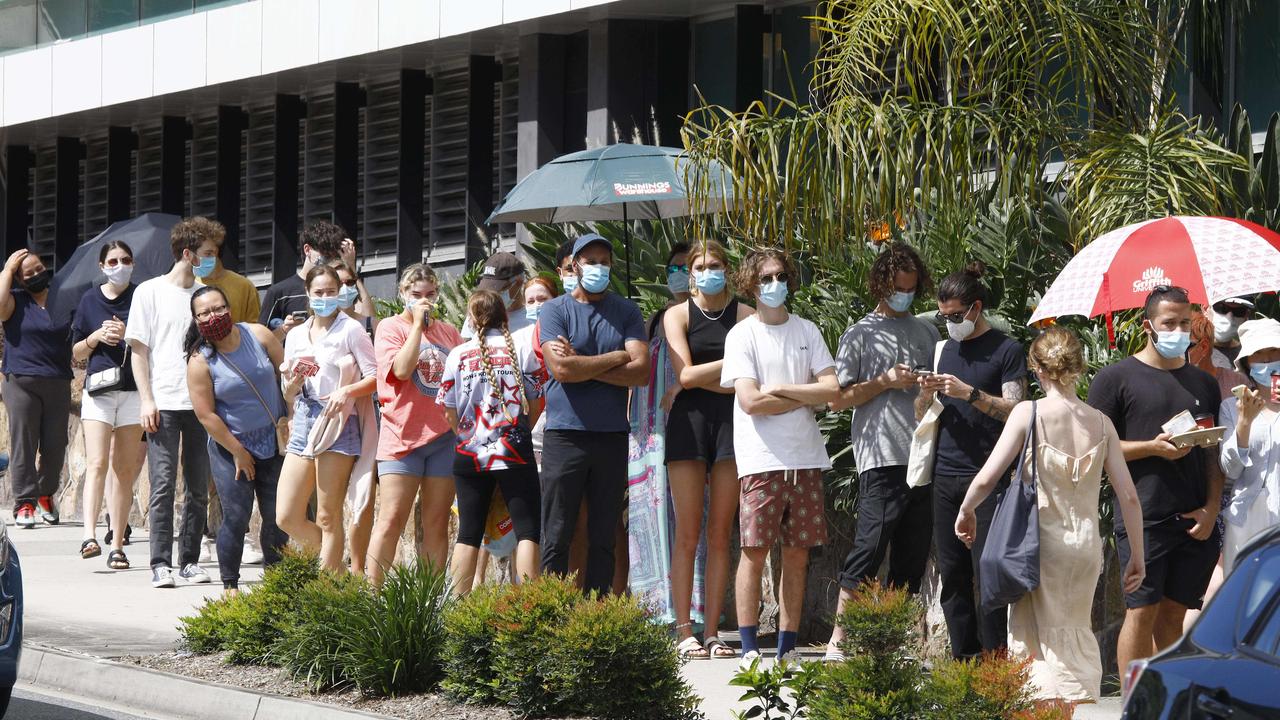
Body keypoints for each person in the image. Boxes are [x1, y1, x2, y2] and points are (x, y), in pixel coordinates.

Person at [955, 327, 1146, 702]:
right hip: (1085, 549)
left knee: (1036, 643)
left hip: (1039, 546)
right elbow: (1129, 497)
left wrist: (966, 510)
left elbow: (986, 478)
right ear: (1079, 367)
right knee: (1072, 634)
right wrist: (1136, 557)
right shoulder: (1102, 424)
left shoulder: (1030, 413)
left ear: (1037, 370)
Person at [1087, 285, 1223, 678]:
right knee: (1141, 610)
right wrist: (1151, 447)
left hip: (1194, 517)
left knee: (1174, 615)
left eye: (1185, 322)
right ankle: (1134, 703)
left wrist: (1212, 508)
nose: (1179, 330)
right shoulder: (1115, 379)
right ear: (1148, 325)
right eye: (1170, 323)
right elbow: (1095, 447)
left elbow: (1211, 452)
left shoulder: (1203, 383)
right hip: (1142, 515)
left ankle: (1173, 696)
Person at [721, 247, 838, 667]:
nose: (775, 285)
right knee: (754, 551)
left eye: (781, 276)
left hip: (805, 458)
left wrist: (782, 390)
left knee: (797, 553)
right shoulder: (742, 335)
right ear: (751, 284)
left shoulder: (807, 330)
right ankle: (750, 645)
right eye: (767, 278)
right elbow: (750, 401)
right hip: (760, 461)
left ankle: (788, 646)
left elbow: (832, 391)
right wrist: (802, 394)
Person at [823, 242, 938, 661]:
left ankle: (893, 642)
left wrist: (926, 385)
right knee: (869, 546)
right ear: (880, 284)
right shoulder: (860, 332)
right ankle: (840, 637)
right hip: (881, 456)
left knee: (911, 554)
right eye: (897, 288)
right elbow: (838, 398)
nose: (904, 295)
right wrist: (885, 381)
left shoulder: (928, 331)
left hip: (922, 456)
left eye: (910, 288)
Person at [917, 262, 1027, 659]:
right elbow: (923, 414)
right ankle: (964, 661)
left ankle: (995, 661)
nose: (950, 323)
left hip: (991, 474)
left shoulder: (1007, 350)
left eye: (956, 316)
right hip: (946, 473)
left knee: (989, 572)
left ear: (976, 308)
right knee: (954, 575)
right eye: (943, 317)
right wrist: (925, 393)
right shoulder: (943, 349)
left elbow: (1018, 410)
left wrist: (972, 394)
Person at [538, 233, 650, 596]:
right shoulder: (555, 310)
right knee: (557, 533)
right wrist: (618, 356)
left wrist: (582, 363)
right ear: (573, 265)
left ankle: (598, 615)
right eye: (590, 261)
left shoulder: (627, 311)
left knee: (604, 535)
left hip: (611, 436)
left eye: (604, 260)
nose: (598, 267)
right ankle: (551, 616)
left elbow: (642, 371)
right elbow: (561, 370)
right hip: (564, 435)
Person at [661, 240, 752, 660]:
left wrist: (701, 377)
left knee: (720, 535)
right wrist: (732, 364)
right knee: (687, 533)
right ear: (690, 272)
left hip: (734, 423)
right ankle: (685, 630)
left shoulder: (747, 315)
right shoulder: (676, 314)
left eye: (715, 264)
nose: (707, 271)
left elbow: (747, 378)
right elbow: (686, 373)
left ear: (727, 268)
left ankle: (714, 632)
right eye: (699, 266)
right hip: (689, 424)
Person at [126, 218, 216, 588]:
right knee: (162, 485)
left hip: (199, 404)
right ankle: (159, 563)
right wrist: (146, 399)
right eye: (207, 254)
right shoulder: (148, 292)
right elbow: (138, 351)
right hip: (162, 403)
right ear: (187, 253)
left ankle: (189, 561)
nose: (212, 260)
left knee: (197, 487)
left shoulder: (206, 294)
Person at [438, 290, 547, 594]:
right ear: (505, 315)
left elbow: (447, 408)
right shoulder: (522, 348)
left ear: (472, 319)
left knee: (468, 533)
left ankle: (459, 609)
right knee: (528, 531)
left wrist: (464, 436)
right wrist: (524, 429)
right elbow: (538, 401)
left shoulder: (458, 354)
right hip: (513, 450)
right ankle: (531, 606)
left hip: (469, 453)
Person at [185, 286, 290, 594]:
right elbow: (207, 416)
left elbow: (287, 376)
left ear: (229, 308)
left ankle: (277, 582)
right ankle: (230, 583)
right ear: (195, 319)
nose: (212, 316)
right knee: (236, 514)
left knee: (276, 514)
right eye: (204, 313)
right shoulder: (200, 361)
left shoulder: (258, 335)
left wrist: (293, 414)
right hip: (229, 448)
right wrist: (238, 452)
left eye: (218, 308)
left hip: (273, 441)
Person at [276, 266, 378, 573]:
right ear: (308, 294)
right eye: (318, 293)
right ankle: (336, 565)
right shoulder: (295, 334)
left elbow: (375, 377)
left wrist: (346, 391)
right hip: (305, 417)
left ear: (339, 293)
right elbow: (289, 392)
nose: (325, 298)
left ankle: (327, 588)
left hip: (338, 420)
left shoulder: (351, 330)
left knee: (327, 515)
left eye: (331, 292)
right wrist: (292, 382)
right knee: (286, 515)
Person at [367, 263, 462, 585]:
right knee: (392, 518)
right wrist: (418, 328)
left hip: (443, 437)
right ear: (403, 295)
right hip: (402, 437)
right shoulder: (390, 328)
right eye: (416, 294)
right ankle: (372, 595)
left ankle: (429, 597)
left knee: (436, 521)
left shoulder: (449, 332)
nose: (424, 300)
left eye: (431, 294)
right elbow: (403, 371)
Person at [71, 241, 144, 568]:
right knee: (98, 462)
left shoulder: (142, 297)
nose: (120, 265)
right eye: (113, 261)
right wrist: (96, 337)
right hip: (99, 389)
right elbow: (76, 352)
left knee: (125, 470)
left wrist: (128, 333)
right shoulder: (89, 300)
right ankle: (88, 535)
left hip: (133, 390)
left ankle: (117, 543)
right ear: (102, 266)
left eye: (126, 260)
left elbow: (152, 343)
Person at [1, 249, 72, 529]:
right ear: (19, 279)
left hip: (58, 380)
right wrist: (7, 270)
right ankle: (25, 503)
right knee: (24, 444)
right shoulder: (15, 302)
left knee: (56, 445)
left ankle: (45, 495)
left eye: (38, 268)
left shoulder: (63, 300)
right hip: (20, 382)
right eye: (26, 273)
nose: (34, 275)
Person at [1219, 318, 1280, 569]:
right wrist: (1244, 422)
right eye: (1258, 354)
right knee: (1245, 594)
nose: (1266, 360)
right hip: (1245, 517)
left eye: (1274, 351)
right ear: (1246, 362)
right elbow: (1230, 470)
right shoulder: (1231, 408)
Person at [260, 221, 347, 339]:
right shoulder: (280, 292)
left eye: (335, 256)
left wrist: (350, 265)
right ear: (307, 250)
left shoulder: (344, 287)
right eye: (326, 255)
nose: (330, 261)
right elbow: (260, 342)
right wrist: (284, 330)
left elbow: (366, 319)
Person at [193, 217, 261, 324]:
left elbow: (254, 329)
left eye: (208, 253)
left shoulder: (243, 285)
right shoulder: (188, 285)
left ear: (216, 252)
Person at [461, 251, 532, 338]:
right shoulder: (477, 316)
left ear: (518, 282)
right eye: (487, 289)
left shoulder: (532, 318)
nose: (491, 296)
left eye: (499, 290)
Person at [331, 260, 378, 335]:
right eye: (338, 283)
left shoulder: (370, 323)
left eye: (349, 282)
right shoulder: (322, 326)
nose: (345, 287)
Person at [1208, 296, 1253, 369]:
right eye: (1222, 308)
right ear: (1206, 309)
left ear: (1246, 315)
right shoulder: (1189, 350)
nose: (1229, 318)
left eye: (1239, 311)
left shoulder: (1249, 355)